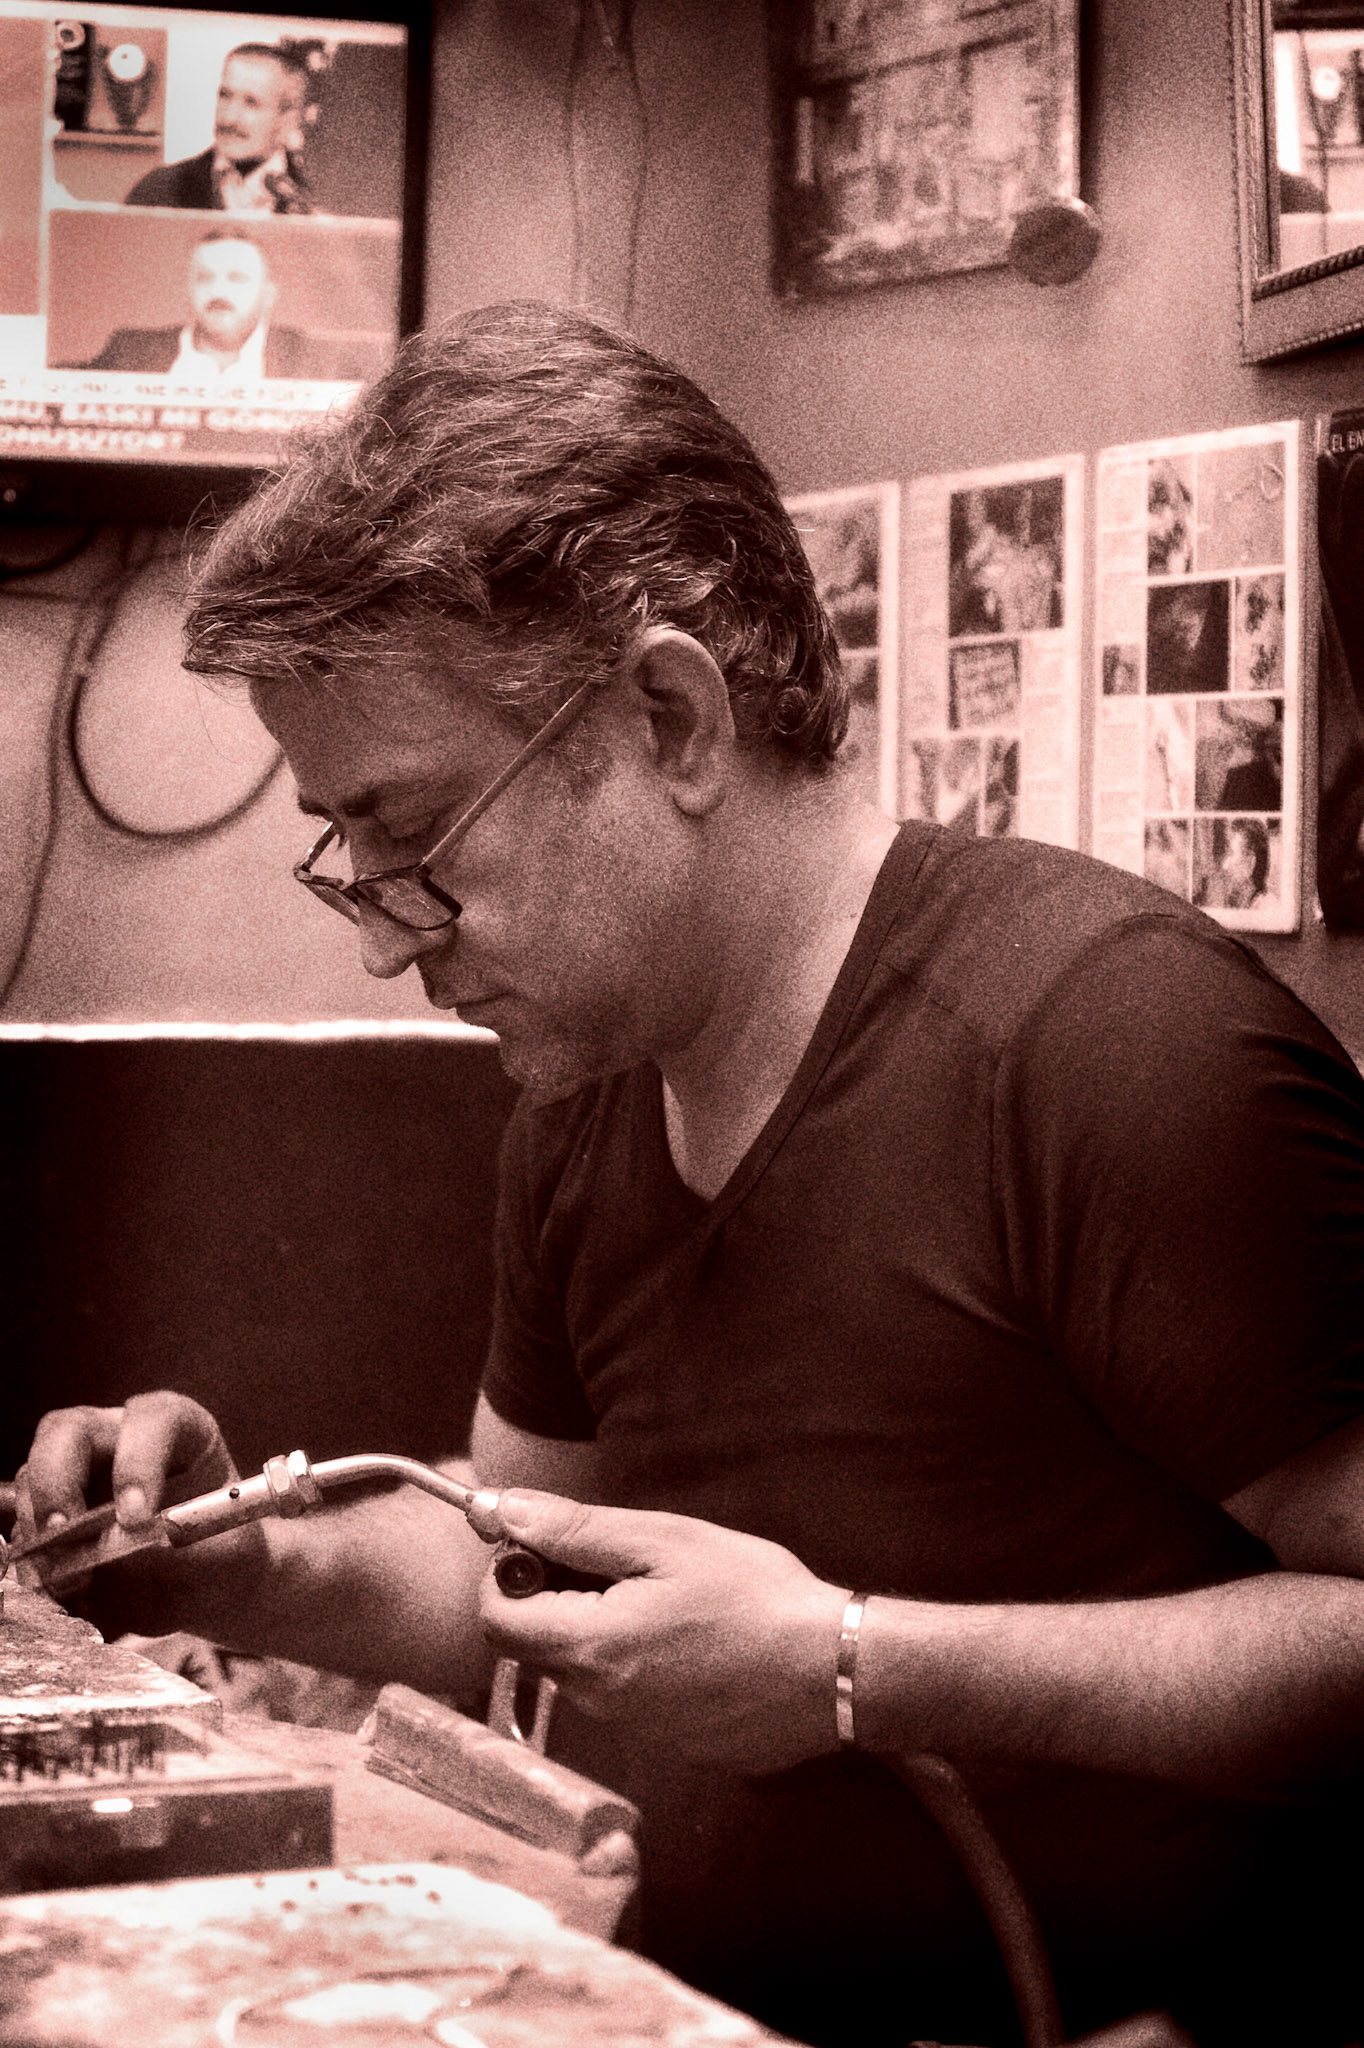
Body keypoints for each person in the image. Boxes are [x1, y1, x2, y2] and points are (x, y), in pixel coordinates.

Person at [17, 305, 1364, 2048]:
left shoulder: (1110, 1049)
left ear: (667, 714)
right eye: (349, 858)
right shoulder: (585, 1071)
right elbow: (523, 1562)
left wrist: (854, 1663)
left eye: (415, 838)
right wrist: (239, 1562)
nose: (382, 944)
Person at [80, 228, 342, 382]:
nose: (218, 291)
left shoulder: (311, 361)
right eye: (204, 278)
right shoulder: (129, 354)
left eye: (237, 279)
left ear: (267, 295)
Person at [124, 42, 312, 213]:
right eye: (225, 95)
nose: (229, 118)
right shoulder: (159, 191)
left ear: (289, 119)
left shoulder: (315, 203)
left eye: (251, 103)